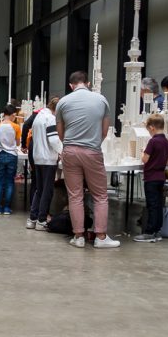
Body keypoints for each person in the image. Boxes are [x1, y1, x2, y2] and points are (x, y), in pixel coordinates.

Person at [56, 71, 119, 249]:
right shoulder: (101, 100)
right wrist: (92, 143)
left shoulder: (63, 102)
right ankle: (100, 236)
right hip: (92, 151)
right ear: (88, 83)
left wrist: (71, 145)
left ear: (71, 85)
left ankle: (78, 237)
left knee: (75, 195)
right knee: (100, 195)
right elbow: (105, 131)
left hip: (69, 151)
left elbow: (61, 133)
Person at [133, 114, 168, 242]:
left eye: (148, 130)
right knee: (159, 204)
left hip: (151, 178)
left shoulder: (153, 141)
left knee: (151, 205)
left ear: (152, 128)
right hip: (161, 177)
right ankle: (157, 231)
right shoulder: (167, 142)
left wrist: (142, 152)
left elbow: (145, 159)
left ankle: (149, 232)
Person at [25, 96, 61, 229]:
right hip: (48, 159)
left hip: (37, 157)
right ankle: (41, 219)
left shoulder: (39, 116)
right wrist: (61, 151)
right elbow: (53, 140)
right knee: (47, 190)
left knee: (38, 190)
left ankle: (32, 218)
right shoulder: (51, 118)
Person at [0, 103, 21, 215]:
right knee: (9, 182)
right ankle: (7, 208)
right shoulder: (16, 127)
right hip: (12, 155)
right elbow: (18, 143)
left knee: (0, 182)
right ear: (13, 114)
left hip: (1, 154)